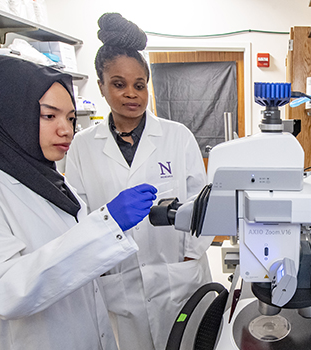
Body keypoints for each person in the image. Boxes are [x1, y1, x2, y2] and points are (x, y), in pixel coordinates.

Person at [0, 54, 158, 350]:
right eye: (49, 116)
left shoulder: (52, 182)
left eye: (69, 118)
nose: (66, 130)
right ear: (9, 116)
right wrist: (107, 226)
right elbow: (7, 290)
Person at [64, 13, 213, 350]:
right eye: (118, 84)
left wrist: (189, 259)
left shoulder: (177, 137)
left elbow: (202, 203)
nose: (130, 94)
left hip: (178, 278)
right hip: (120, 283)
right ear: (101, 87)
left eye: (139, 84)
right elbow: (80, 217)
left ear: (148, 86)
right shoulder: (82, 147)